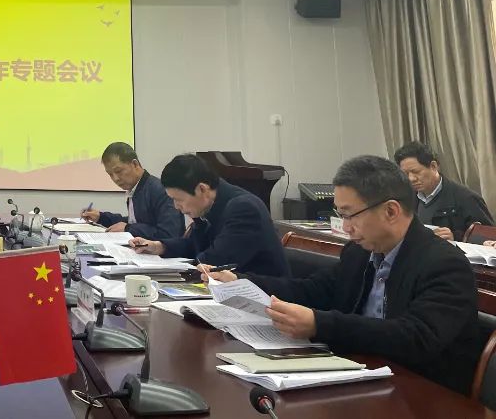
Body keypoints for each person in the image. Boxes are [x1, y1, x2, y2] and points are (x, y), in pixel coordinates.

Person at [206, 155, 483, 395]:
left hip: (422, 392)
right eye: (340, 215)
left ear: (390, 211)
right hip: (363, 374)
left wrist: (319, 324)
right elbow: (316, 290)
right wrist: (244, 281)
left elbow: (416, 338)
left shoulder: (445, 264)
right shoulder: (360, 252)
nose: (346, 228)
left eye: (350, 215)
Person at [128, 153, 288, 276]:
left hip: (267, 299)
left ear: (202, 189)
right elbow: (194, 245)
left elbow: (214, 261)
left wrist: (162, 271)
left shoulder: (244, 209)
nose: (176, 207)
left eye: (179, 199)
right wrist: (159, 247)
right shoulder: (211, 204)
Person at [79, 142, 184, 239]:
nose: (115, 178)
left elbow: (169, 234)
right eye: (110, 174)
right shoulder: (136, 188)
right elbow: (133, 222)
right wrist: (101, 217)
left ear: (135, 164)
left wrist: (128, 228)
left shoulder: (160, 190)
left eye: (118, 171)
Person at [393, 140, 493, 242]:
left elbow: (490, 239)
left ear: (433, 166)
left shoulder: (467, 198)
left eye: (416, 172)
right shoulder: (406, 198)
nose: (411, 179)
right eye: (406, 174)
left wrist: (455, 238)